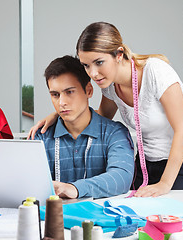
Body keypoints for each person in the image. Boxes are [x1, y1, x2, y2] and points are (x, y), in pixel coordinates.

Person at [29, 22, 183, 198]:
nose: (93, 73)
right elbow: (97, 120)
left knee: (174, 220)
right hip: (147, 162)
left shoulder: (155, 72)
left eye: (99, 62)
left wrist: (164, 184)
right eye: (86, 65)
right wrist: (61, 114)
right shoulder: (110, 86)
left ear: (119, 54)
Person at [34, 55, 134, 199]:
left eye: (69, 92)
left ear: (88, 91)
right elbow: (28, 181)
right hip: (52, 219)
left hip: (101, 219)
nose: (62, 102)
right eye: (55, 95)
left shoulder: (115, 133)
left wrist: (75, 189)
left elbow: (121, 177)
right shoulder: (41, 136)